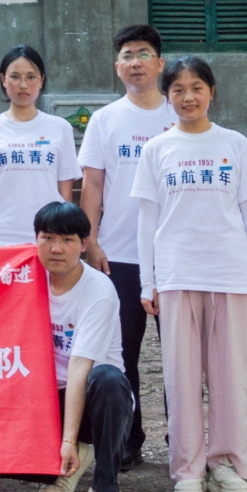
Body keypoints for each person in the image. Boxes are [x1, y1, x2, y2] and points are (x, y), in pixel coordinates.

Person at [132, 56, 247, 492]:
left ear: (211, 92)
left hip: (226, 271)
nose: (188, 97)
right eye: (178, 90)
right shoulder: (157, 149)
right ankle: (187, 467)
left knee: (228, 373)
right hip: (176, 273)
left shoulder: (235, 144)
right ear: (167, 97)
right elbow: (146, 221)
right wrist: (146, 282)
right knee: (180, 375)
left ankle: (226, 463)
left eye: (197, 88)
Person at [78, 23, 174, 467]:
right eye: (127, 56)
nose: (135, 62)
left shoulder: (179, 114)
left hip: (175, 255)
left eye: (143, 54)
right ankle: (127, 439)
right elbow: (93, 183)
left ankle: (185, 439)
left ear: (159, 63)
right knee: (121, 353)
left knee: (180, 356)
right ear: (117, 68)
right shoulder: (105, 119)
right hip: (119, 255)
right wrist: (91, 240)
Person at [30, 201, 131, 492]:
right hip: (45, 400)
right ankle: (69, 463)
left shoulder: (98, 290)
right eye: (47, 238)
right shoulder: (24, 279)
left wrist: (68, 441)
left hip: (93, 402)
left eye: (68, 239)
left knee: (108, 379)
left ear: (84, 244)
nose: (56, 248)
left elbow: (78, 368)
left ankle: (104, 489)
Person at [0, 46, 80, 246]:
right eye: (15, 76)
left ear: (42, 80)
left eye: (31, 77)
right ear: (3, 79)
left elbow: (65, 191)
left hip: (49, 235)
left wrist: (61, 229)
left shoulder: (60, 128)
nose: (23, 85)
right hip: (1, 237)